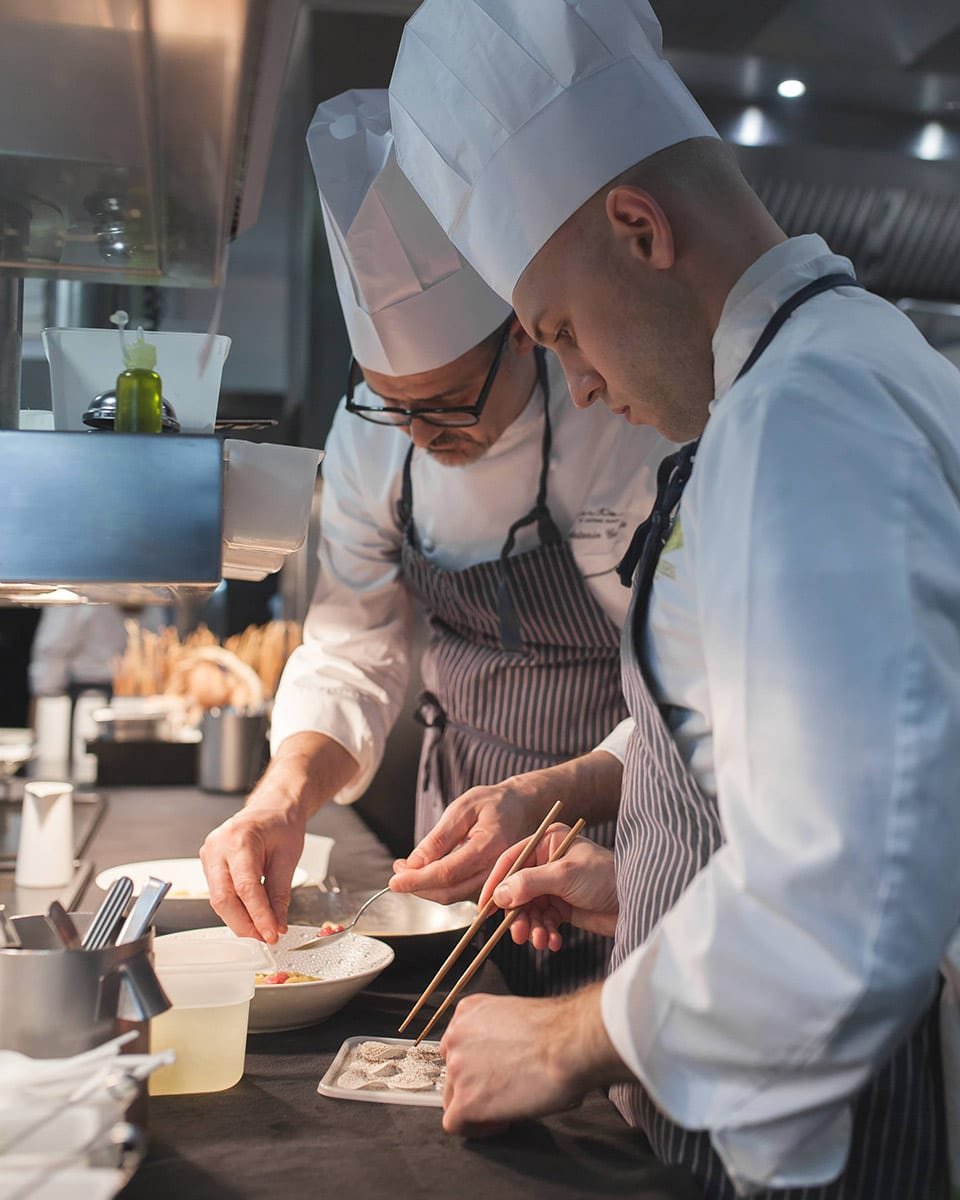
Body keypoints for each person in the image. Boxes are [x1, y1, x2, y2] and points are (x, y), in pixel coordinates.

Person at [389, 1, 960, 1195]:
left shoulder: (810, 421)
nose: (585, 388)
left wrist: (563, 1038)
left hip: (818, 1150)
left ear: (638, 228)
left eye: (563, 332)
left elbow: (841, 896)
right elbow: (803, 772)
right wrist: (646, 884)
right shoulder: (804, 383)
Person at [199, 90, 672, 995]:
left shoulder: (620, 418)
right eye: (394, 404)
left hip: (619, 814)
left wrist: (550, 795)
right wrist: (281, 799)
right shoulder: (371, 434)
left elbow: (684, 685)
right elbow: (353, 648)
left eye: (450, 401)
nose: (421, 433)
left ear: (525, 340)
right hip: (455, 820)